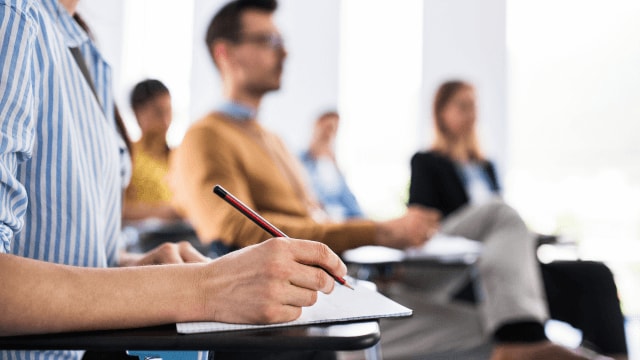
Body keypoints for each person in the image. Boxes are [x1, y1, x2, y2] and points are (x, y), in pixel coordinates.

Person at [0, 2, 348, 360]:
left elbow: (53, 244)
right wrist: (203, 287)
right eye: (266, 40)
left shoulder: (81, 51)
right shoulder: (14, 19)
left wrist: (131, 269)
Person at [169, 0, 439, 257]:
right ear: (224, 53)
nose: (284, 52)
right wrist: (376, 232)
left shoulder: (272, 137)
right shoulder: (205, 136)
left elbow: (312, 215)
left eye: (281, 41)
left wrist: (377, 235)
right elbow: (235, 230)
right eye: (267, 41)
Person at [407, 80, 628, 359]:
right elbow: (421, 226)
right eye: (463, 106)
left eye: (474, 106)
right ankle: (522, 339)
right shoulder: (427, 162)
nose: (471, 114)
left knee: (596, 276)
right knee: (500, 211)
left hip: (507, 264)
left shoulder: (485, 166)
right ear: (441, 113)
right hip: (466, 263)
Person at [124, 79, 181, 222]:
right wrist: (164, 212)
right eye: (158, 113)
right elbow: (118, 210)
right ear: (138, 114)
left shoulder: (177, 156)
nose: (165, 122)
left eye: (168, 112)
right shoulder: (127, 155)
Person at [300, 111, 364, 222]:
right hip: (318, 219)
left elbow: (350, 201)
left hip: (343, 220)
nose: (330, 133)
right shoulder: (298, 161)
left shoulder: (334, 166)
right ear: (316, 126)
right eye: (328, 127)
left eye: (335, 129)